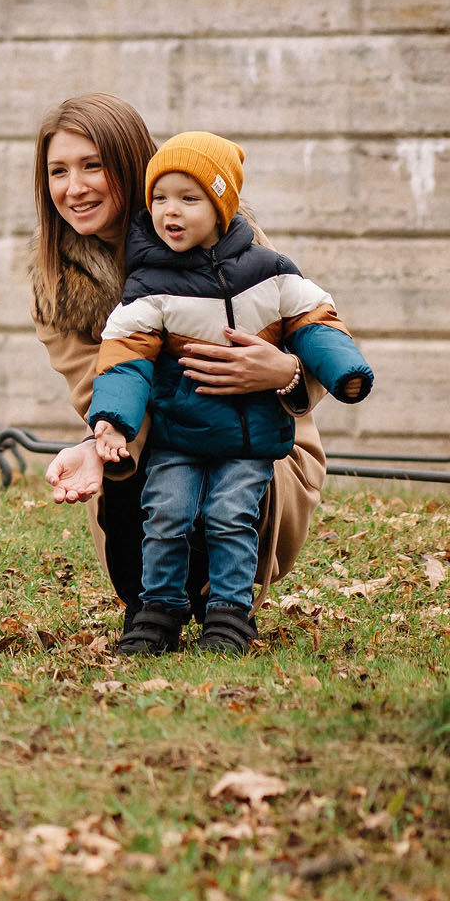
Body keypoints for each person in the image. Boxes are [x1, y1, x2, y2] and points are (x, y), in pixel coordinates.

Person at [29, 94, 328, 624]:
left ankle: (225, 595)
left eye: (92, 165)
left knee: (226, 492)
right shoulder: (57, 286)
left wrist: (288, 373)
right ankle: (161, 600)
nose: (74, 188)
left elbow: (315, 329)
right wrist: (98, 442)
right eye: (58, 171)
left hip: (259, 441)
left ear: (129, 163)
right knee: (131, 473)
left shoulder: (226, 237)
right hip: (159, 439)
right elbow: (94, 390)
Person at [85, 134, 373, 655]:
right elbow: (125, 355)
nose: (170, 212)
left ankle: (229, 613)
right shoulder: (150, 285)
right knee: (166, 511)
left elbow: (316, 320)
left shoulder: (271, 271)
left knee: (231, 515)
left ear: (222, 206)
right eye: (160, 199)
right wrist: (111, 420)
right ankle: (159, 609)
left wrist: (343, 369)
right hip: (179, 436)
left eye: (189, 199)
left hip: (248, 438)